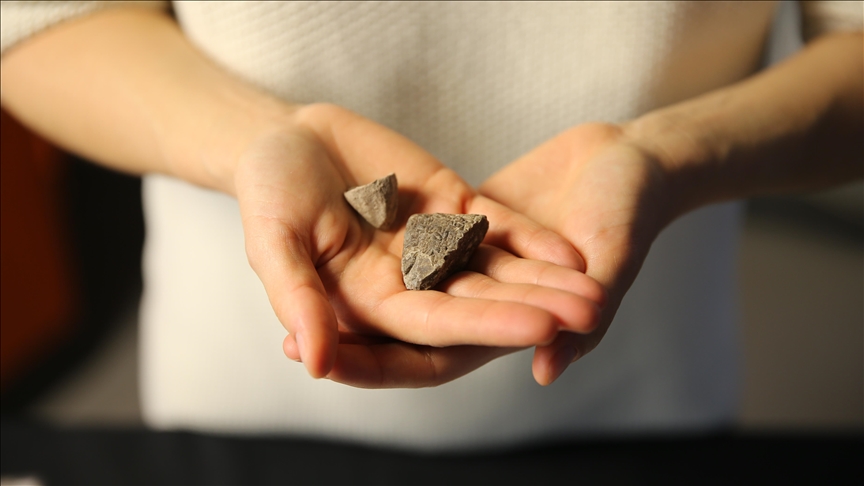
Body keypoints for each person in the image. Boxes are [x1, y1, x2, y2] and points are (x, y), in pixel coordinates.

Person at [1, 1, 860, 450]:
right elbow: (35, 18)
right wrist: (252, 141)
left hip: (641, 390)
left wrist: (672, 155)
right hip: (243, 390)